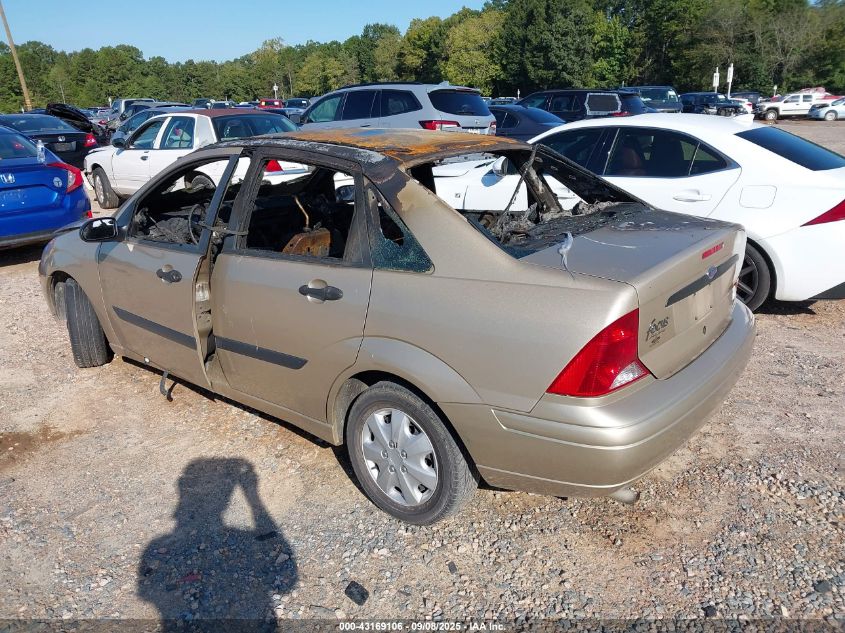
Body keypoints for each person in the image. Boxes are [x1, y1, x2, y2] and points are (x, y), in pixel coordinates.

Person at [138, 458, 296, 631]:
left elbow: (148, 593)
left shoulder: (154, 546)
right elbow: (287, 584)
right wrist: (253, 497)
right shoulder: (240, 537)